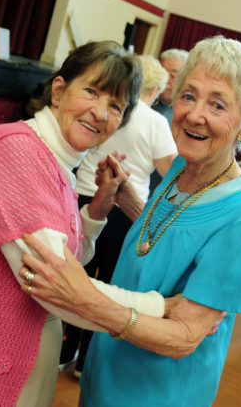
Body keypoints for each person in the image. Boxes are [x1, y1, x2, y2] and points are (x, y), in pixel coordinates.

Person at [18, 35, 241, 406]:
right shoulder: (185, 164)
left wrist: (85, 300)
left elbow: (184, 336)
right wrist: (126, 199)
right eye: (188, 95)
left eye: (217, 105)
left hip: (155, 392)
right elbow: (170, 234)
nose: (194, 114)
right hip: (107, 372)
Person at [0, 41, 171, 407]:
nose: (100, 112)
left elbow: (66, 260)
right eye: (91, 91)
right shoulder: (14, 150)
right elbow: (55, 284)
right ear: (58, 90)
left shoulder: (56, 165)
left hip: (11, 363)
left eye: (115, 105)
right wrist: (157, 309)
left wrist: (96, 212)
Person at [60, 55, 177, 377]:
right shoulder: (154, 122)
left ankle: (62, 349)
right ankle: (86, 363)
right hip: (125, 208)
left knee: (75, 272)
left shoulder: (110, 112)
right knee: (109, 283)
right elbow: (171, 175)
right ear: (154, 89)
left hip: (84, 193)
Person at [151, 48, 189, 127]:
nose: (165, 79)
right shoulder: (143, 100)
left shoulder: (187, 114)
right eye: (162, 72)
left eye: (173, 76)